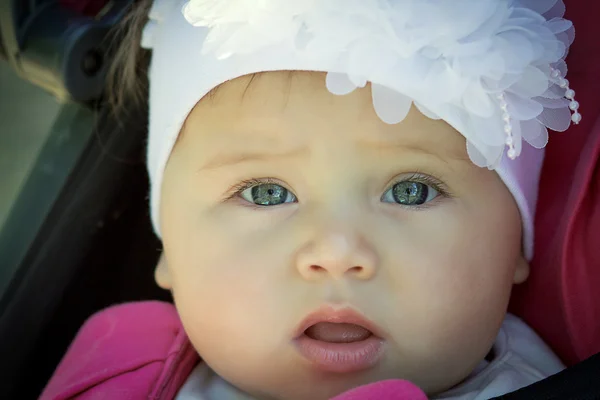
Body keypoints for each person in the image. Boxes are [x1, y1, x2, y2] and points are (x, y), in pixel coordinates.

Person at [41, 0, 583, 399]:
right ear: (168, 246)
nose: (338, 250)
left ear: (514, 244)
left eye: (411, 191)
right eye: (266, 193)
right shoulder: (119, 376)